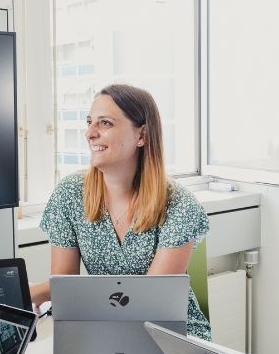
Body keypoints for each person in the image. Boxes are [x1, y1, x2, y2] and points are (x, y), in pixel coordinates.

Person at [32, 84, 211, 339]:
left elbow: (150, 301)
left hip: (169, 333)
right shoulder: (70, 194)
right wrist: (18, 295)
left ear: (142, 136)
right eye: (89, 122)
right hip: (103, 327)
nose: (90, 133)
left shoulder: (179, 204)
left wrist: (48, 293)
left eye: (105, 123)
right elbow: (64, 286)